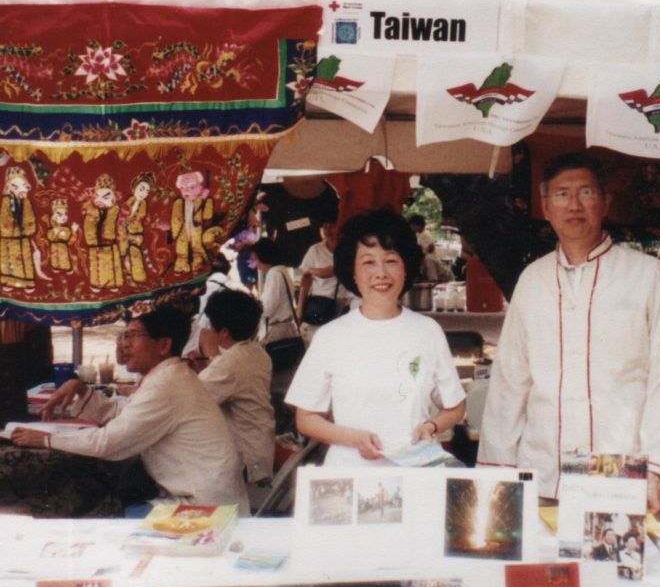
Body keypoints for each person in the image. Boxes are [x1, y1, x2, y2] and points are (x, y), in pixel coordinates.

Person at [477, 153, 660, 515]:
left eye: (586, 192)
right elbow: (510, 381)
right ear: (545, 207)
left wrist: (656, 471)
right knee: (544, 570)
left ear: (605, 202)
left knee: (612, 571)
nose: (573, 205)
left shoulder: (649, 276)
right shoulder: (533, 280)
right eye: (561, 195)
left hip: (618, 474)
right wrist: (498, 468)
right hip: (542, 470)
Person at [13, 306, 249, 514]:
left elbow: (110, 443)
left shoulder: (167, 384)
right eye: (124, 335)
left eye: (133, 336)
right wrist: (81, 390)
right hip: (201, 495)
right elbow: (126, 412)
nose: (124, 343)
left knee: (95, 509)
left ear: (163, 345)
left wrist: (47, 439)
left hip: (204, 508)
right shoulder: (167, 376)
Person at [286, 209, 466, 466]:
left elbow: (455, 406)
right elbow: (306, 418)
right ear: (353, 273)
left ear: (406, 268)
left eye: (391, 260)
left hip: (416, 473)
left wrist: (431, 426)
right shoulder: (330, 337)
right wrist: (352, 438)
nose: (381, 273)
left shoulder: (428, 331)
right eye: (368, 262)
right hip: (350, 478)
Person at [198, 289, 276, 498]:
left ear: (223, 332)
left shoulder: (231, 362)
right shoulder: (255, 351)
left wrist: (210, 352)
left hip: (246, 459)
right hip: (259, 447)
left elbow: (193, 397)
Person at [296, 219, 347, 344]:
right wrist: (299, 311)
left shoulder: (348, 249)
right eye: (324, 226)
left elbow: (333, 270)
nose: (327, 231)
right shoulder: (315, 250)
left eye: (331, 226)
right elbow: (305, 282)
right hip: (319, 305)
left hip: (344, 303)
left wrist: (311, 270)